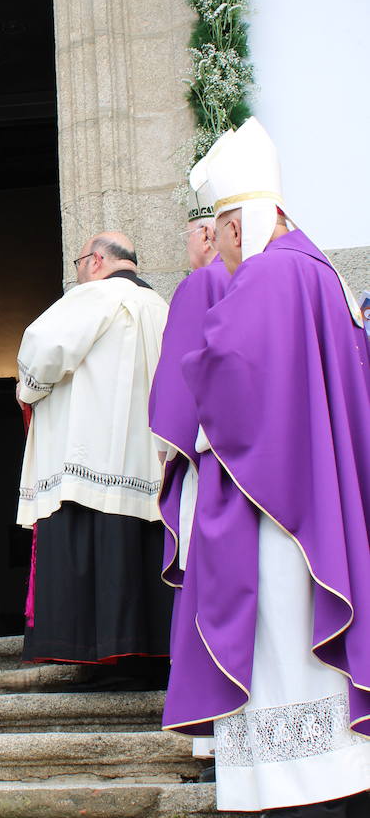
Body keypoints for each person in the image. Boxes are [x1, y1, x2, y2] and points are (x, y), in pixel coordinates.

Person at [163, 119, 370, 818]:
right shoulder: (323, 272)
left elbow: (228, 375)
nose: (216, 250)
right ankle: (341, 797)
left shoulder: (269, 274)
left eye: (218, 234)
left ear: (241, 221)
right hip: (319, 493)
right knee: (315, 650)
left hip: (272, 503)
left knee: (282, 641)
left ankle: (290, 801)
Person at [17, 233, 170, 689]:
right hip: (147, 463)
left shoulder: (93, 296)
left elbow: (42, 354)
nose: (79, 272)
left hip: (93, 456)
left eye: (81, 262)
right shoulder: (161, 307)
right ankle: (147, 657)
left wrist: (29, 391)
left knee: (96, 548)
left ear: (98, 260)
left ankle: (95, 654)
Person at [149, 182, 229, 773]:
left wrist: (168, 453)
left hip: (210, 468)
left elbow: (178, 389)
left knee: (203, 586)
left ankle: (208, 728)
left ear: (205, 233)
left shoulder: (200, 284)